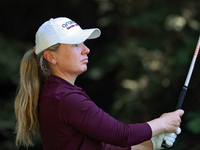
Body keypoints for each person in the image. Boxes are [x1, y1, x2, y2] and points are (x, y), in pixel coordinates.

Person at [14, 17, 184, 150]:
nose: (86, 49)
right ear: (51, 57)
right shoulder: (64, 98)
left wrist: (151, 144)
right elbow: (122, 135)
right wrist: (163, 123)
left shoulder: (56, 92)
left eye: (83, 42)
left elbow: (99, 146)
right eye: (75, 44)